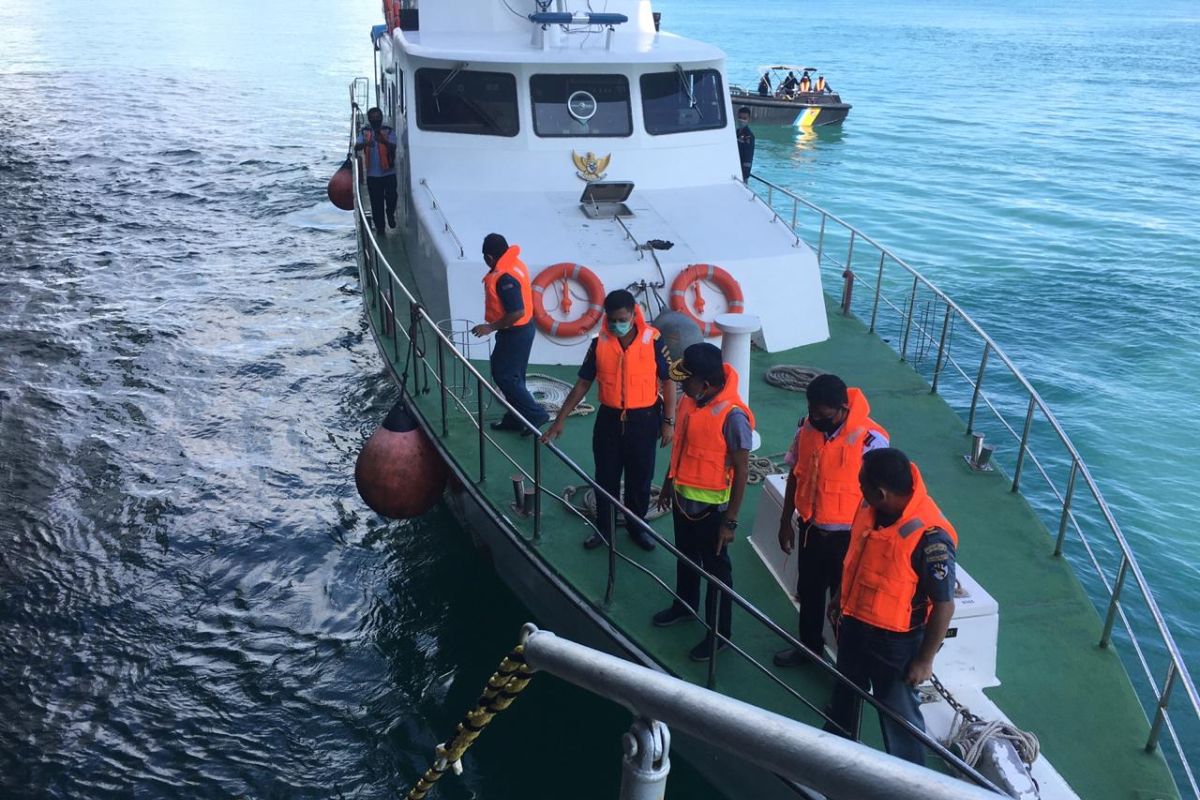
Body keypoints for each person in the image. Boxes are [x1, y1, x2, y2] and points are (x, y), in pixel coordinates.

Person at [824, 448, 958, 765]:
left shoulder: (930, 538)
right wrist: (839, 596)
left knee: (900, 719)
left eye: (862, 484)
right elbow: (860, 558)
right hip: (856, 626)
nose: (859, 490)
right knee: (843, 694)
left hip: (895, 644)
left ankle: (909, 782)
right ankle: (830, 753)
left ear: (880, 493)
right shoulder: (872, 511)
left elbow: (944, 606)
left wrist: (924, 660)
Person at [542, 291, 675, 552]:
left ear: (634, 313)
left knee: (640, 480)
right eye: (611, 320)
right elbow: (582, 383)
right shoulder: (600, 343)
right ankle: (604, 529)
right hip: (609, 421)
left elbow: (669, 381)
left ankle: (638, 528)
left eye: (621, 319)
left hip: (644, 420)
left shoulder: (653, 341)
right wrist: (559, 420)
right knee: (606, 478)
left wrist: (669, 421)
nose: (616, 325)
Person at [773, 374, 889, 668]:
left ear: (842, 409)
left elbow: (881, 500)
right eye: (812, 411)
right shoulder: (807, 429)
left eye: (823, 415)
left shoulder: (871, 441)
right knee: (809, 593)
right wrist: (786, 520)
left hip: (849, 538)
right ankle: (809, 648)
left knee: (846, 605)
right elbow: (796, 476)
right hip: (812, 529)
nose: (816, 418)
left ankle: (846, 668)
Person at [651, 344, 753, 662]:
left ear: (706, 383)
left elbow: (741, 470)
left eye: (687, 380)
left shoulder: (733, 417)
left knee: (717, 574)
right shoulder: (690, 403)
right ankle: (684, 605)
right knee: (686, 557)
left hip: (713, 512)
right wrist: (668, 484)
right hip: (684, 502)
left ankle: (719, 634)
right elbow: (681, 447)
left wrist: (730, 522)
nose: (681, 385)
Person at [470, 234, 550, 434]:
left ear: (489, 257)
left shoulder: (505, 278)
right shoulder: (515, 263)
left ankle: (535, 414)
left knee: (504, 375)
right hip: (523, 330)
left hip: (516, 333)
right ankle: (515, 418)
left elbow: (517, 312)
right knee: (515, 376)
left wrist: (489, 327)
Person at [354, 107, 398, 237]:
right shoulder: (365, 132)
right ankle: (380, 227)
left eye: (378, 116)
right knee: (376, 202)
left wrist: (383, 140)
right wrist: (366, 143)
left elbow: (393, 146)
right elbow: (357, 146)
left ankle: (390, 214)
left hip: (389, 172)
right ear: (369, 118)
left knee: (392, 197)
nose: (375, 119)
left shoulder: (388, 131)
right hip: (373, 175)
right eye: (373, 117)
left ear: (381, 117)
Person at [735, 107, 755, 182]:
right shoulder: (736, 133)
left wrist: (744, 175)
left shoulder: (749, 136)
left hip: (742, 174)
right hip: (734, 168)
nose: (742, 120)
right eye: (740, 117)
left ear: (748, 119)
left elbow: (748, 157)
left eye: (744, 118)